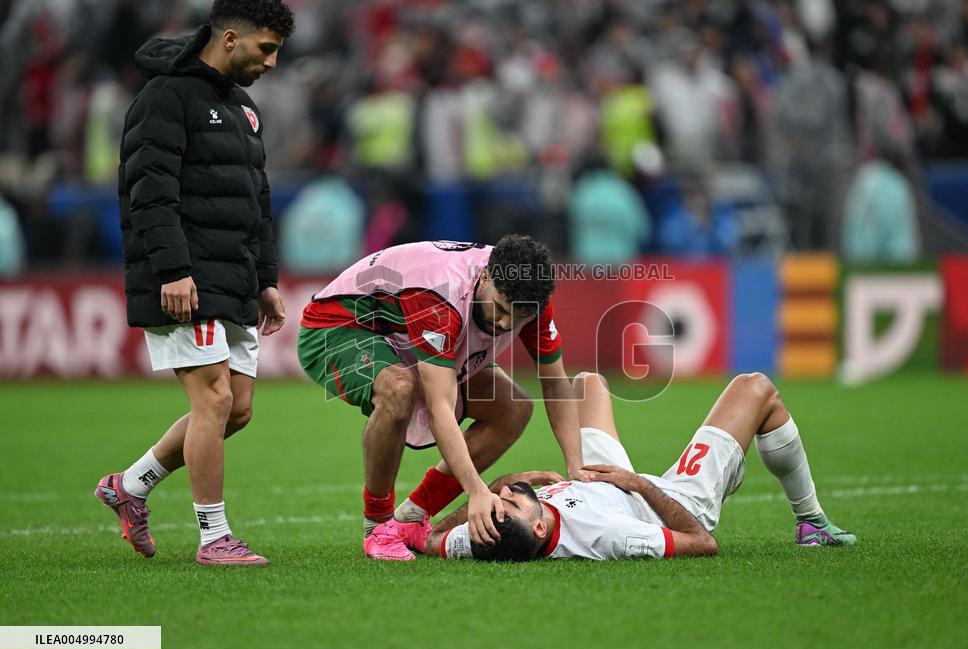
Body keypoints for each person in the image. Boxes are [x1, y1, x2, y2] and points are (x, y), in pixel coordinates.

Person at [94, 0, 295, 567]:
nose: (274, 62)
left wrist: (266, 279)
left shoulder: (245, 110)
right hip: (185, 274)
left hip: (233, 273)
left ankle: (129, 486)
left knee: (237, 409)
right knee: (213, 397)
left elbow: (257, 201)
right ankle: (214, 537)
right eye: (267, 48)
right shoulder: (163, 98)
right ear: (230, 38)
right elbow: (149, 191)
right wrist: (173, 269)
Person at [297, 235, 589, 560]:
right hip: (339, 327)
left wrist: (576, 467)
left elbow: (555, 383)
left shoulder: (531, 296)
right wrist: (476, 490)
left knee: (513, 408)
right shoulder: (439, 294)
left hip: (405, 333)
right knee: (399, 388)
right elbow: (441, 408)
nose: (506, 324)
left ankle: (410, 518)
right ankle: (378, 526)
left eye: (518, 317)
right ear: (487, 277)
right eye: (501, 310)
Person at [375, 371, 856, 561]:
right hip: (665, 501)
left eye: (498, 502)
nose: (506, 496)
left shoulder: (487, 536)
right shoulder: (607, 534)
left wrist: (490, 488)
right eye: (513, 504)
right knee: (756, 389)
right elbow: (703, 543)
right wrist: (639, 486)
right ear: (542, 529)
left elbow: (429, 537)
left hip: (598, 482)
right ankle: (811, 522)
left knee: (588, 384)